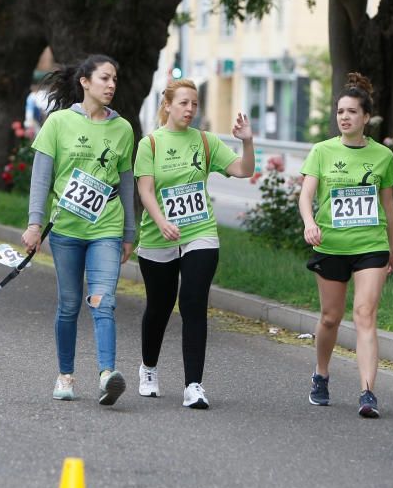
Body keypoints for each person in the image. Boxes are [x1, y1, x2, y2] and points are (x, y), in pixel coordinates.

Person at [20, 55, 135, 405]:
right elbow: (41, 178)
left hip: (107, 227)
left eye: (115, 79)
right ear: (85, 82)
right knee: (69, 304)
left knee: (104, 301)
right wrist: (34, 225)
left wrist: (130, 232)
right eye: (104, 78)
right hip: (67, 229)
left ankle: (106, 375)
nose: (111, 85)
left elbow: (127, 183)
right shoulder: (57, 123)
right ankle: (65, 375)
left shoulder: (123, 129)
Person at [134, 79, 255, 409]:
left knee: (193, 302)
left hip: (200, 231)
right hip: (159, 234)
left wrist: (247, 142)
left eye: (194, 104)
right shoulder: (151, 144)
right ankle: (148, 368)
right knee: (159, 307)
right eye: (184, 103)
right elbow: (145, 190)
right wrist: (162, 222)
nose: (190, 109)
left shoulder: (206, 142)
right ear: (168, 105)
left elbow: (244, 170)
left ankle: (193, 385)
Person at [298, 72, 393, 419]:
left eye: (352, 112)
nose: (344, 117)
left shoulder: (383, 156)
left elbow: (388, 205)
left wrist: (392, 248)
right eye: (340, 111)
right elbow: (306, 194)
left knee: (365, 315)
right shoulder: (322, 152)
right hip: (331, 245)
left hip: (371, 244)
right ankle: (321, 374)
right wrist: (310, 223)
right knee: (330, 317)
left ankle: (368, 392)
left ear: (366, 117)